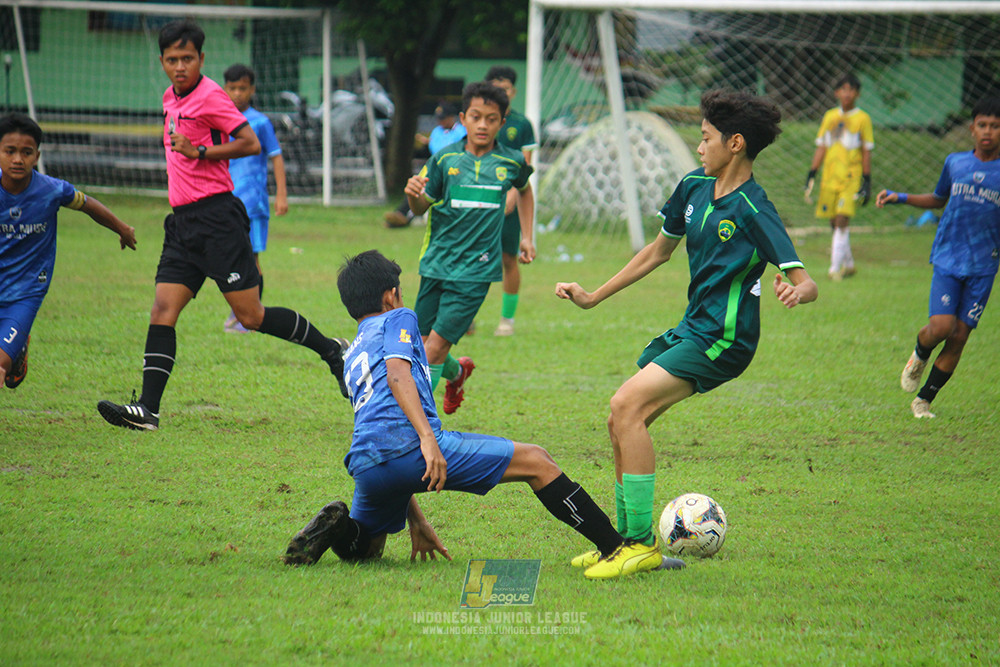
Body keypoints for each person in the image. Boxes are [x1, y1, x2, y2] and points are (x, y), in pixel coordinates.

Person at [282, 249, 683, 577]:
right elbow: (398, 374)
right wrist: (428, 440)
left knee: (366, 550)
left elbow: (383, 430)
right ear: (390, 296)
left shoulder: (354, 352)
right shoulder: (399, 317)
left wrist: (417, 521)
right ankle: (615, 547)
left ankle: (340, 526)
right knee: (538, 462)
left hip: (367, 466)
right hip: (411, 450)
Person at [556, 89, 818, 579]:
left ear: (735, 143)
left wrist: (794, 291)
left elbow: (808, 283)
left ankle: (638, 546)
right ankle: (623, 543)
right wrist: (593, 296)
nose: (698, 147)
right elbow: (657, 252)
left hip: (725, 338)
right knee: (620, 420)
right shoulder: (694, 187)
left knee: (625, 406)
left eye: (705, 138)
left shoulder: (753, 208)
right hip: (693, 327)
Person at [97, 20, 349, 432]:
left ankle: (332, 351)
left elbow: (250, 143)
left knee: (250, 316)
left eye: (188, 58)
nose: (180, 67)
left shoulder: (212, 95)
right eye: (172, 60)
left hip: (217, 220)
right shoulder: (170, 97)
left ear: (201, 58)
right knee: (162, 309)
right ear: (162, 61)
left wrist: (200, 151)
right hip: (182, 224)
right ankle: (147, 410)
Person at [404, 81, 535, 414]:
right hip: (436, 264)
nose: (482, 125)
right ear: (463, 119)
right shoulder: (444, 159)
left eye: (491, 119)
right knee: (421, 346)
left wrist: (527, 236)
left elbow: (525, 190)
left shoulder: (511, 161)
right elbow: (420, 208)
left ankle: (415, 423)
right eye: (476, 117)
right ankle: (457, 372)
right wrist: (412, 195)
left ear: (502, 122)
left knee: (433, 349)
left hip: (476, 271)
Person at [875, 97, 1000, 419]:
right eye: (983, 125)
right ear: (972, 129)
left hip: (984, 265)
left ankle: (924, 401)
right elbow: (937, 199)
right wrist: (900, 197)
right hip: (949, 256)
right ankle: (920, 352)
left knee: (959, 336)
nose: (988, 131)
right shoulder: (955, 163)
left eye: (995, 126)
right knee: (942, 326)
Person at [0, 113, 136, 390]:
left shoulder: (51, 191)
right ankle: (17, 351)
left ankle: (11, 352)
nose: (18, 160)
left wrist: (122, 228)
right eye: (10, 151)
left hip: (26, 292)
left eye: (26, 152)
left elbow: (89, 205)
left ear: (37, 156)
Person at [221, 63, 288, 334]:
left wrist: (281, 194)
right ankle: (240, 312)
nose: (237, 93)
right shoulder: (220, 119)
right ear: (225, 89)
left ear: (252, 90)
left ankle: (249, 316)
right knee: (230, 257)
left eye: (243, 88)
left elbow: (276, 157)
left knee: (252, 259)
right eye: (232, 88)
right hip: (224, 202)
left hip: (253, 204)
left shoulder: (260, 122)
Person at [804, 73, 874, 281]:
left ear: (857, 94)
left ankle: (834, 269)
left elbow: (866, 150)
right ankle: (849, 265)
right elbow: (822, 146)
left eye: (851, 89)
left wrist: (867, 180)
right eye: (843, 89)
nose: (847, 93)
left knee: (842, 219)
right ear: (836, 93)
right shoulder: (830, 117)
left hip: (851, 177)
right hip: (830, 177)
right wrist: (812, 172)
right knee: (835, 222)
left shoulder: (863, 119)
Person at [486, 66, 538, 337]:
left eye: (505, 89)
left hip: (509, 202)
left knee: (508, 258)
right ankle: (465, 317)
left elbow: (524, 167)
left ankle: (507, 319)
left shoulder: (522, 124)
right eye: (496, 88)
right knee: (473, 257)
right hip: (480, 201)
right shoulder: (479, 121)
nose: (501, 93)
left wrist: (512, 194)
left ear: (513, 92)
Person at [383, 102, 467, 229]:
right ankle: (401, 215)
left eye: (443, 118)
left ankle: (404, 216)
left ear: (452, 117)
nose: (440, 121)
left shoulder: (461, 132)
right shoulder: (437, 131)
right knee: (419, 188)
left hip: (455, 169)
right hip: (436, 167)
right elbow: (434, 149)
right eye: (439, 118)